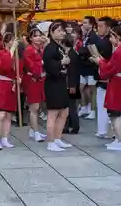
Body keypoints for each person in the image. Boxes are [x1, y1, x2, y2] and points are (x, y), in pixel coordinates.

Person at [43, 21, 73, 152]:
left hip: (60, 81)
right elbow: (48, 66)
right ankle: (50, 142)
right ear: (51, 32)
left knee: (64, 111)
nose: (62, 33)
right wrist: (61, 62)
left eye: (62, 31)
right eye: (59, 31)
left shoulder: (59, 46)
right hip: (53, 82)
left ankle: (57, 138)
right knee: (53, 113)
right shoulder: (50, 47)